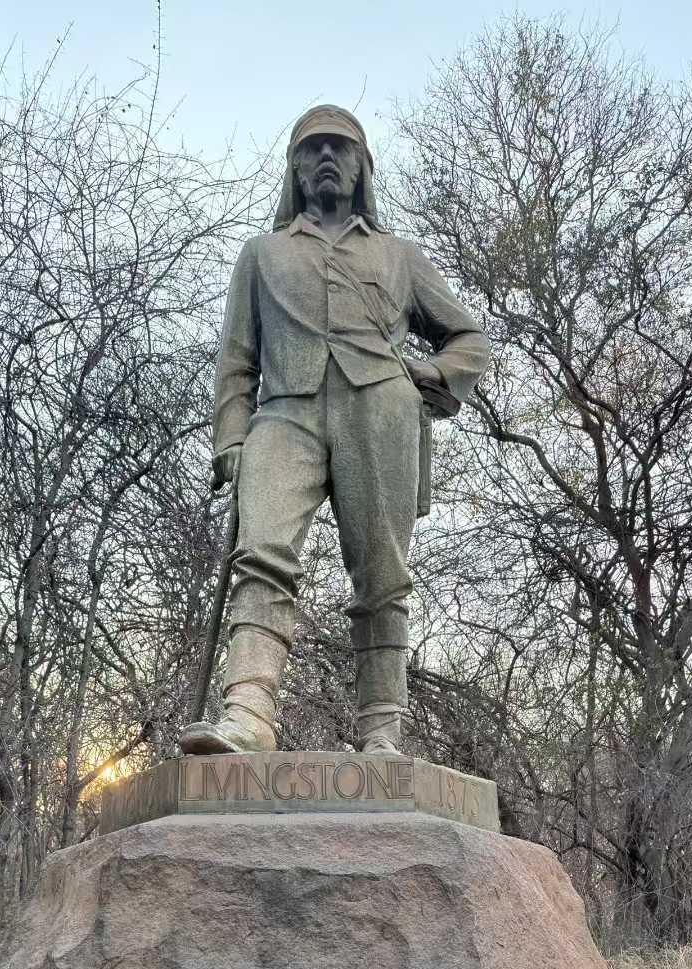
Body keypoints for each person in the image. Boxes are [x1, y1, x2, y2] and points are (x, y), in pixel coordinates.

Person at [180, 104, 488, 756]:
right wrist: (230, 438)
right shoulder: (262, 255)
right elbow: (237, 361)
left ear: (361, 167)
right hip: (284, 413)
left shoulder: (399, 256)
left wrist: (428, 374)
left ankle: (381, 730)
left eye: (340, 147)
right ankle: (248, 714)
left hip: (379, 412)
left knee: (382, 575)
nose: (326, 157)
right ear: (295, 168)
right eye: (312, 148)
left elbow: (468, 339)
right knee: (260, 552)